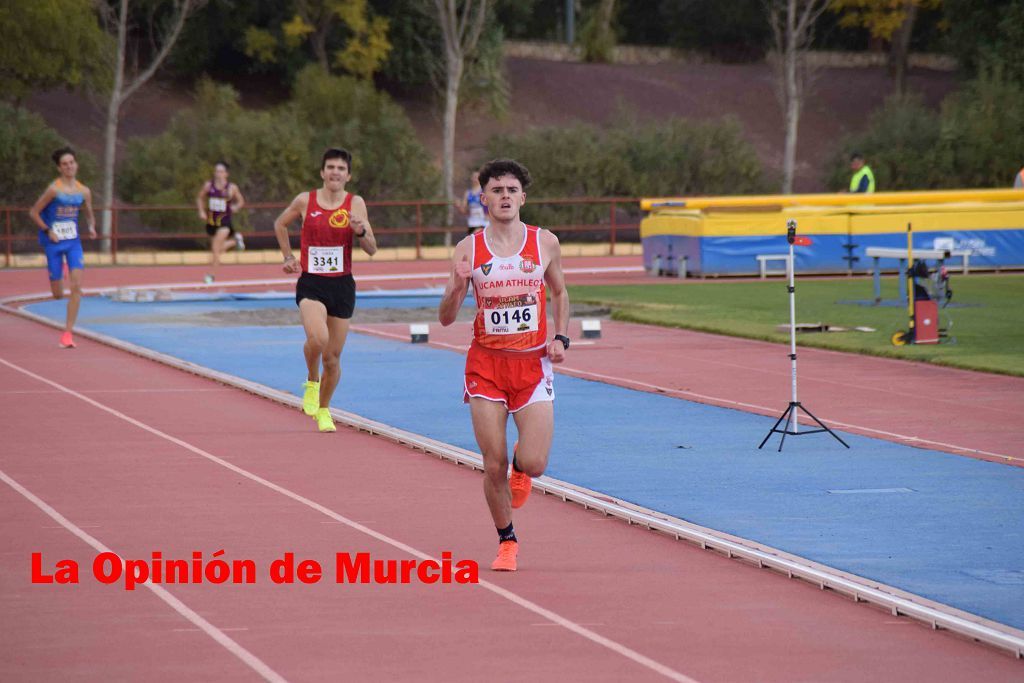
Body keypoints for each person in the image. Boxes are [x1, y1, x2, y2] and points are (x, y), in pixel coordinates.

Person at [438, 159, 570, 572]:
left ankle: (522, 467)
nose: (505, 197)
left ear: (523, 198)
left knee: (534, 463)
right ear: (484, 198)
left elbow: (561, 294)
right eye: (497, 190)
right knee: (491, 463)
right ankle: (507, 541)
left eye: (512, 190)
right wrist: (459, 285)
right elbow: (445, 316)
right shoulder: (468, 248)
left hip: (532, 366)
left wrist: (561, 337)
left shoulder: (545, 242)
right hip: (486, 367)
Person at [273, 148, 377, 433]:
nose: (335, 172)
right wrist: (288, 257)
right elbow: (281, 224)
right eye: (330, 167)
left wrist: (360, 232)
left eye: (341, 168)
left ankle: (324, 408)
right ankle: (311, 379)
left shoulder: (355, 204)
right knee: (318, 338)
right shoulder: (305, 200)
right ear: (322, 172)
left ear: (348, 175)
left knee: (332, 358)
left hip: (342, 285)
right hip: (312, 282)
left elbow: (372, 249)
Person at [28, 147, 97, 349]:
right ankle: (61, 269)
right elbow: (34, 212)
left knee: (76, 288)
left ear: (76, 164)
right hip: (54, 243)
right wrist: (48, 230)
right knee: (58, 294)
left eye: (72, 162)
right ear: (59, 168)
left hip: (73, 243)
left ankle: (67, 333)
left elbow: (89, 213)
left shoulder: (84, 191)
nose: (69, 166)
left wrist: (92, 227)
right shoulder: (54, 190)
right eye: (65, 164)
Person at [196, 161, 246, 284]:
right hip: (211, 222)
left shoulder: (231, 188)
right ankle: (235, 241)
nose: (218, 173)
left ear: (226, 174)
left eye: (220, 171)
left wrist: (236, 207)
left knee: (215, 249)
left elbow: (241, 201)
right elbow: (200, 197)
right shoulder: (208, 186)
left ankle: (211, 276)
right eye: (216, 171)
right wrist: (201, 211)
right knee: (217, 250)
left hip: (225, 223)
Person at [454, 171, 488, 235]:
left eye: (477, 177)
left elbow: (491, 206)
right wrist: (458, 206)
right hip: (472, 222)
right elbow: (463, 211)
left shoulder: (485, 191)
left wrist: (488, 214)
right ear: (471, 178)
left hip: (484, 221)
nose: (475, 179)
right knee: (474, 241)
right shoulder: (468, 193)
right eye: (474, 177)